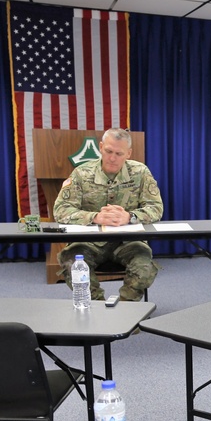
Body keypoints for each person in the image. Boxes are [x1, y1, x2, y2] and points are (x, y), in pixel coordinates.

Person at [53, 128, 163, 301]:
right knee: (71, 262)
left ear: (129, 153)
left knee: (144, 265)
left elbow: (156, 208)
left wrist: (130, 216)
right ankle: (97, 308)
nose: (112, 158)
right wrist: (94, 217)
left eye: (119, 153)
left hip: (128, 241)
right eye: (108, 151)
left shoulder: (140, 173)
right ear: (101, 147)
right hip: (90, 242)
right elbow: (60, 210)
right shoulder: (82, 174)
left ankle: (126, 311)